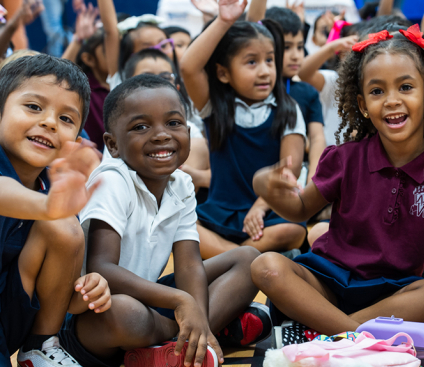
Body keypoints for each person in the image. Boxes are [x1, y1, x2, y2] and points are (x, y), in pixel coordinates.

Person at [250, 24, 424, 363]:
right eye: (377, 92)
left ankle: (323, 336)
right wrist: (264, 185)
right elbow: (299, 210)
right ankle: (369, 341)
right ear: (364, 105)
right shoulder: (344, 157)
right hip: (329, 281)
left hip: (395, 292)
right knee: (266, 267)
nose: (392, 100)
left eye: (405, 87)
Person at [58, 75, 271, 367]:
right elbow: (102, 269)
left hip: (149, 300)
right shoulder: (111, 180)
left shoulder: (181, 183)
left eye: (173, 123)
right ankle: (182, 334)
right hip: (96, 316)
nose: (161, 135)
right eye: (141, 127)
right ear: (113, 144)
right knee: (123, 311)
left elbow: (188, 265)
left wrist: (194, 309)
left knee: (248, 259)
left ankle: (187, 339)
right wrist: (182, 304)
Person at [0, 54, 110, 366]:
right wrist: (47, 207)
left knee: (63, 227)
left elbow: (69, 302)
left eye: (66, 119)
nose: (49, 121)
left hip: (9, 319)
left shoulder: (56, 188)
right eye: (33, 107)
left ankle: (39, 348)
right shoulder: (49, 201)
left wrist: (90, 289)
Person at [180, 0, 308, 259]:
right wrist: (224, 20)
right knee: (183, 228)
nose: (264, 71)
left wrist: (261, 208)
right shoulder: (214, 107)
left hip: (268, 214)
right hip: (220, 213)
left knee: (293, 231)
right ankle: (241, 256)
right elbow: (188, 67)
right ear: (224, 73)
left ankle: (229, 258)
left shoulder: (288, 108)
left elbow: (290, 169)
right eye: (252, 62)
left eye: (270, 60)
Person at [122, 48, 209, 192]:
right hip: (131, 199)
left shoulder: (191, 133)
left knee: (199, 146)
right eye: (146, 79)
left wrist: (194, 176)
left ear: (177, 88)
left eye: (165, 78)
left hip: (177, 201)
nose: (157, 86)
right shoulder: (120, 129)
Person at [264, 7, 326, 185]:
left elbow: (316, 138)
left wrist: (314, 182)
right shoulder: (254, 90)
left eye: (300, 47)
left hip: (294, 179)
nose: (296, 55)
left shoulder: (308, 92)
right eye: (286, 47)